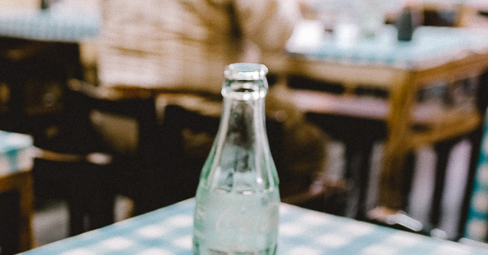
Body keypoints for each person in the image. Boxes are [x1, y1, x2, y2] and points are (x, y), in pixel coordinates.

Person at [94, 0, 328, 198]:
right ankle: (249, 233)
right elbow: (274, 33)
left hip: (115, 118)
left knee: (156, 172)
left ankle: (150, 212)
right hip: (188, 126)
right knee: (306, 142)